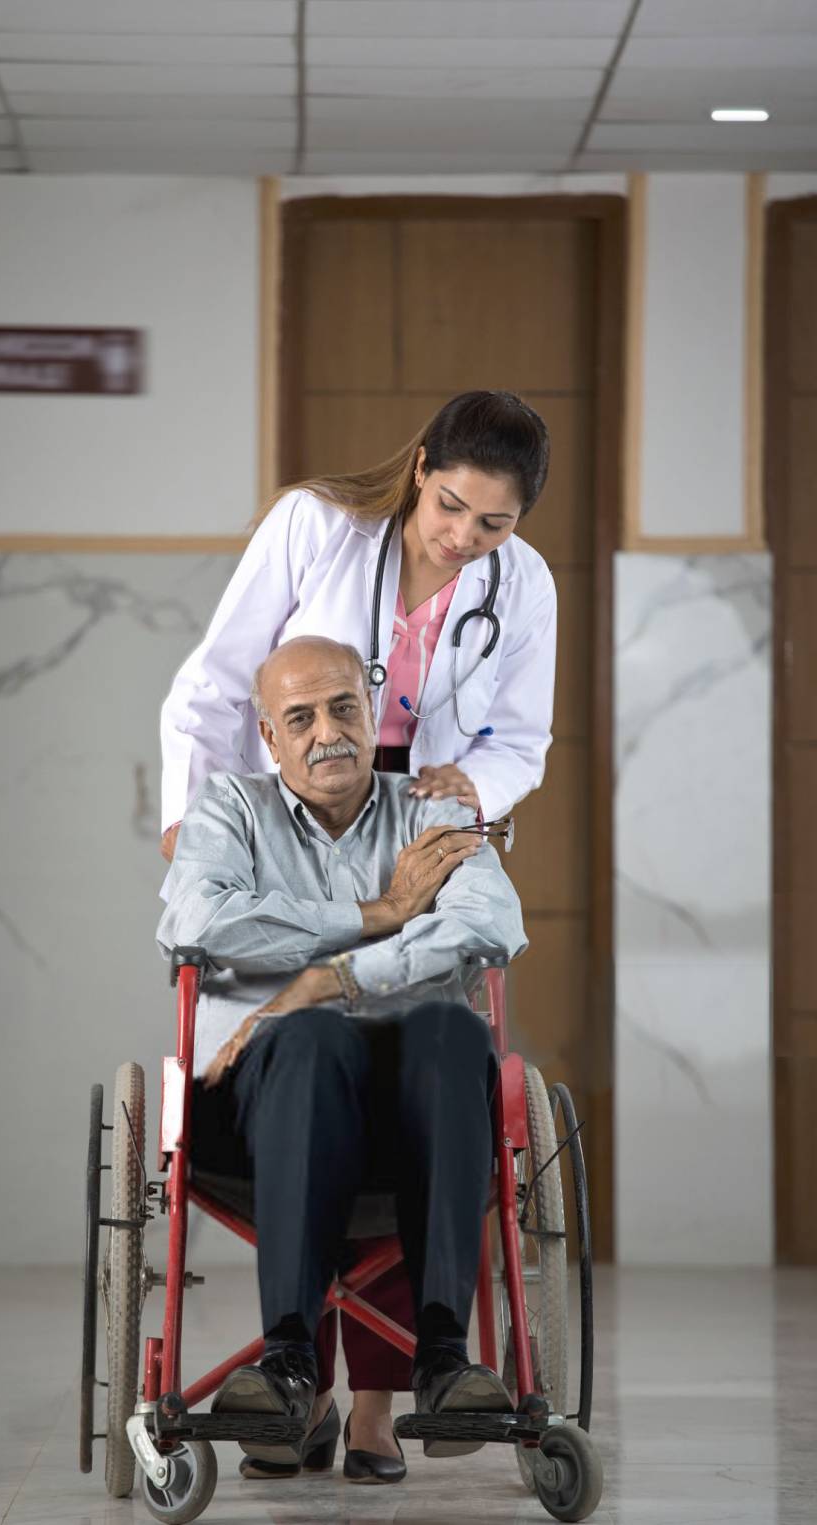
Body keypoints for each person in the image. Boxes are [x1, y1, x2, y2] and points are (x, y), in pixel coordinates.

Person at [159, 388, 555, 1471]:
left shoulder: (520, 596)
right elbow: (215, 684)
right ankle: (294, 1377)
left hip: (421, 817)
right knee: (317, 1045)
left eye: (493, 523)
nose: (460, 537)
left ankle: (402, 1385)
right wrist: (193, 821)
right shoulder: (315, 528)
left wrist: (459, 793)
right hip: (278, 828)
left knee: (429, 1036)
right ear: (417, 466)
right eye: (447, 505)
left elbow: (519, 738)